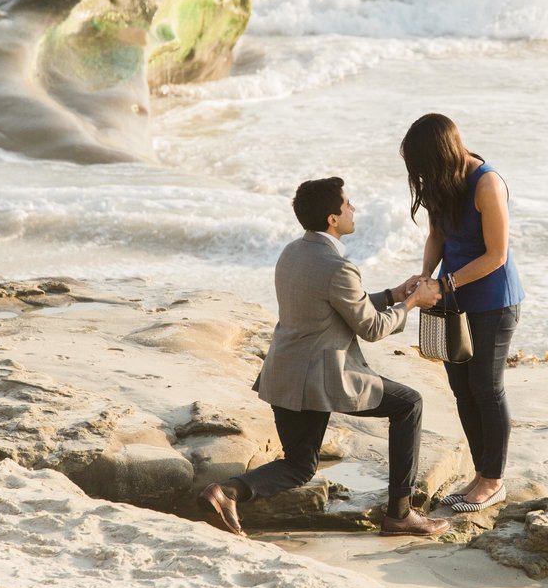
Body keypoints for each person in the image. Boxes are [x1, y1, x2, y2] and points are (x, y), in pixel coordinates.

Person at [197, 177, 450, 537]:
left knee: (299, 466)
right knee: (409, 404)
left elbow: (335, 306)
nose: (353, 209)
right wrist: (412, 303)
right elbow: (372, 329)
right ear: (333, 219)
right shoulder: (338, 267)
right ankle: (400, 514)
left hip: (283, 374)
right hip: (319, 379)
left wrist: (393, 293)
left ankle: (226, 492)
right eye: (348, 204)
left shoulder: (291, 253)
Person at [400, 114, 525, 513]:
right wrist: (424, 277)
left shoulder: (488, 183)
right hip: (453, 299)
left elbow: (496, 255)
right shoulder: (444, 180)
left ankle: (494, 480)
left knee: (487, 389)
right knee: (462, 389)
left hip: (493, 301)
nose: (419, 175)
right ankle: (480, 473)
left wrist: (445, 283)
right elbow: (437, 233)